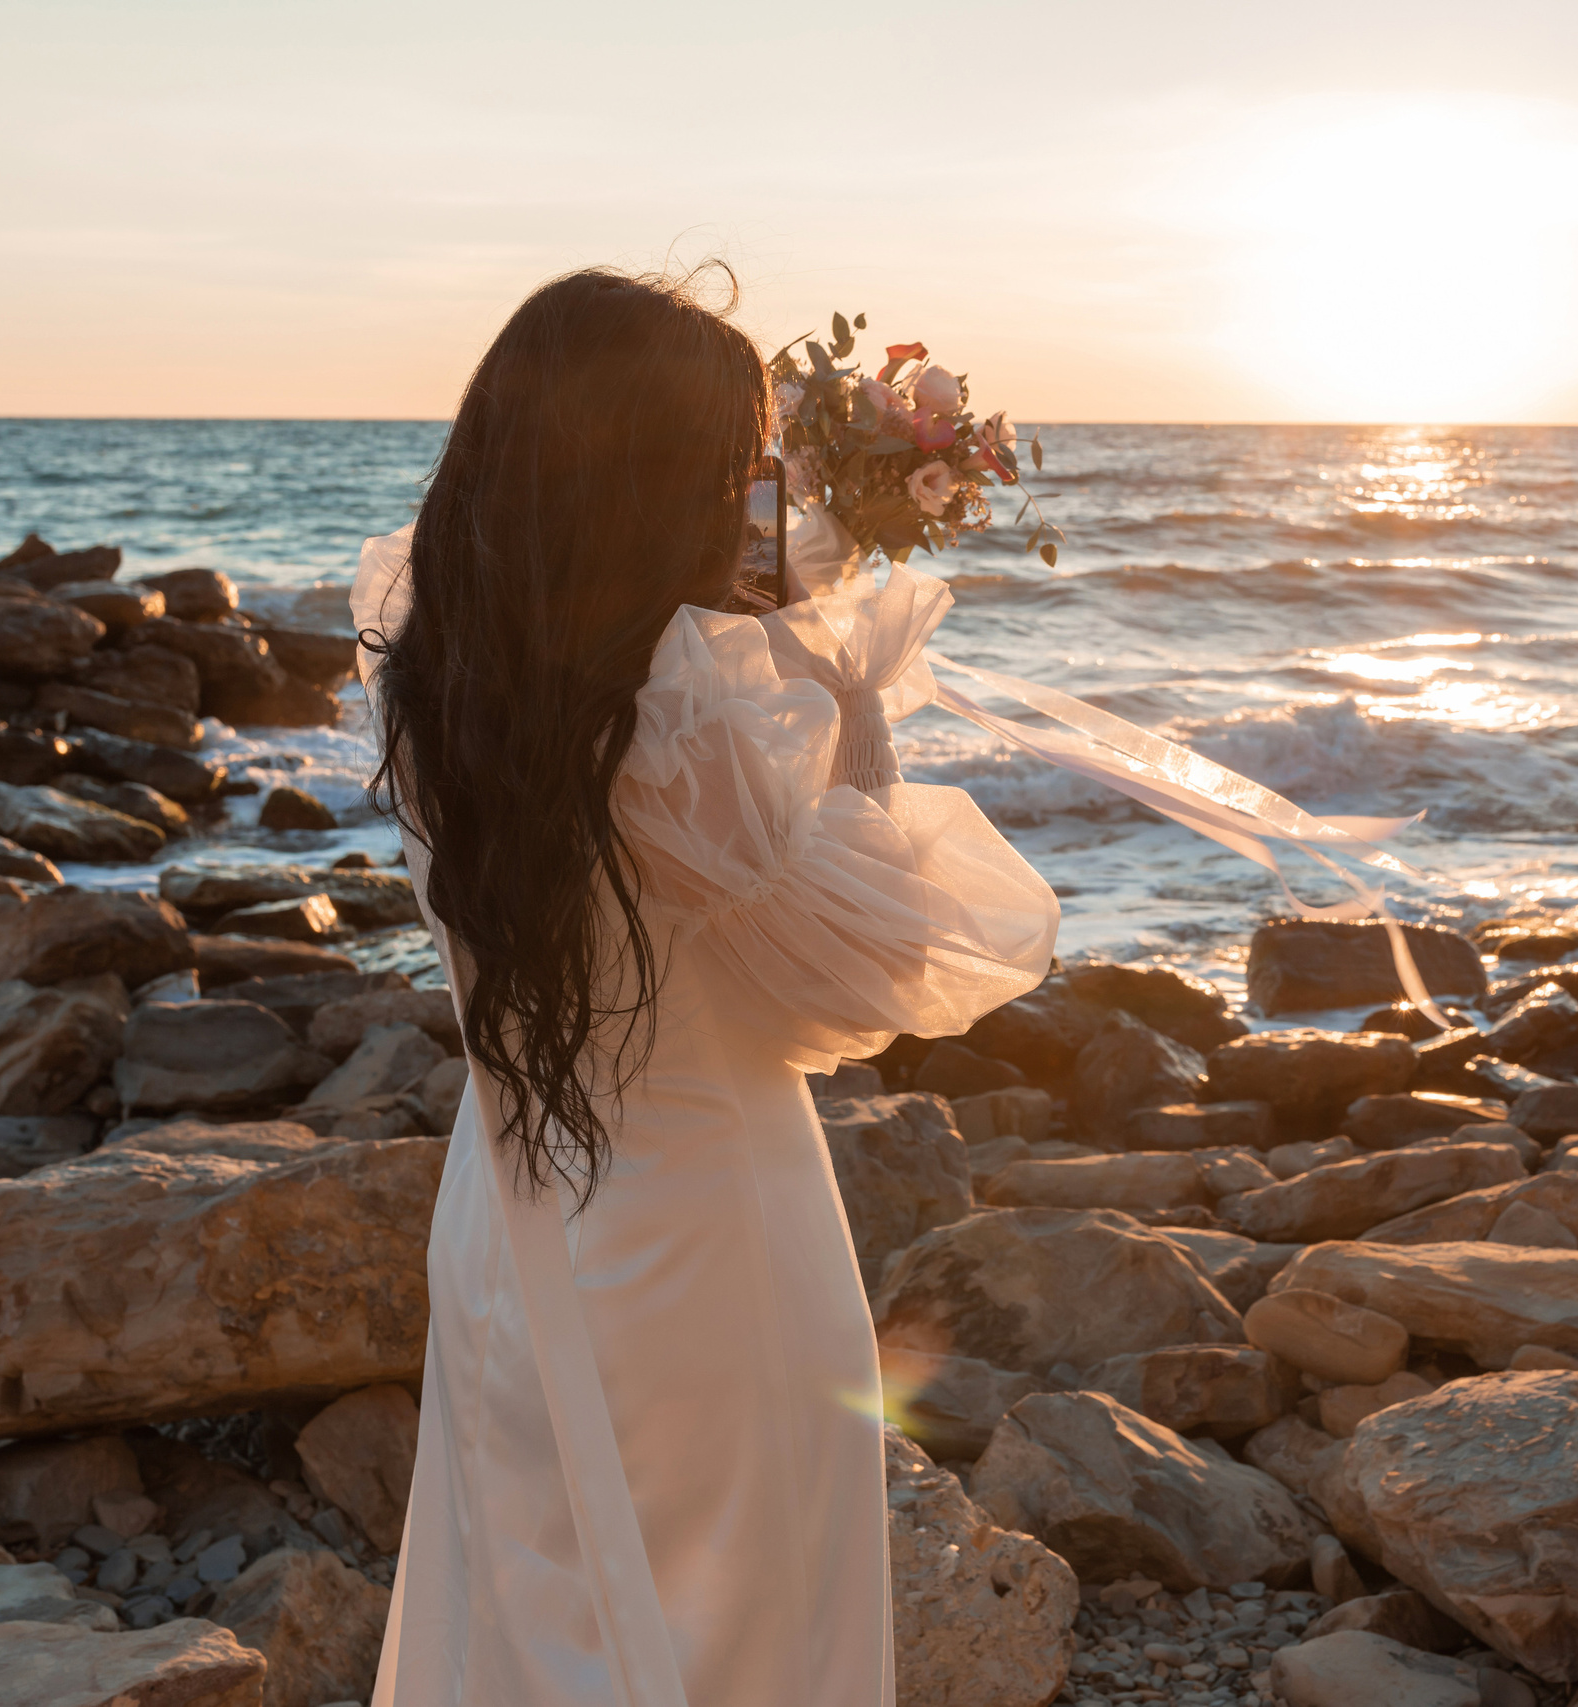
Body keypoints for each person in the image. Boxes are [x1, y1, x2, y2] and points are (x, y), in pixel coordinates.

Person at [354, 267, 1059, 1706]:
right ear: (656, 481)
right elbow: (876, 977)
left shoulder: (433, 661)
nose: (754, 495)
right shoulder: (687, 712)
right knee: (742, 1639)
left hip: (513, 1211)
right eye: (734, 465)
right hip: (710, 1243)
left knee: (536, 1615)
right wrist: (849, 699)